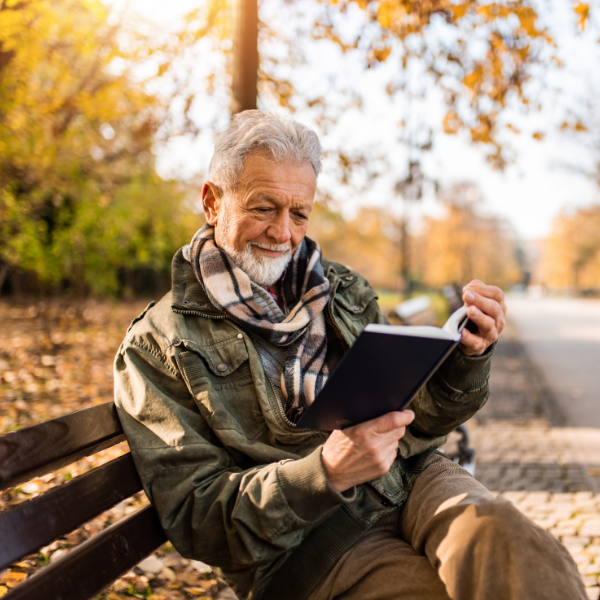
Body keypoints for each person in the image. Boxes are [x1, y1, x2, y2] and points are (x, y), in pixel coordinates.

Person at [114, 110, 585, 600]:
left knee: (513, 540)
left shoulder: (341, 289)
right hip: (312, 549)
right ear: (213, 202)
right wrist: (325, 473)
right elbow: (199, 519)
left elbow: (420, 420)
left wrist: (468, 355)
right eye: (263, 208)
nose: (283, 233)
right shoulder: (157, 345)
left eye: (299, 213)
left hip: (412, 477)